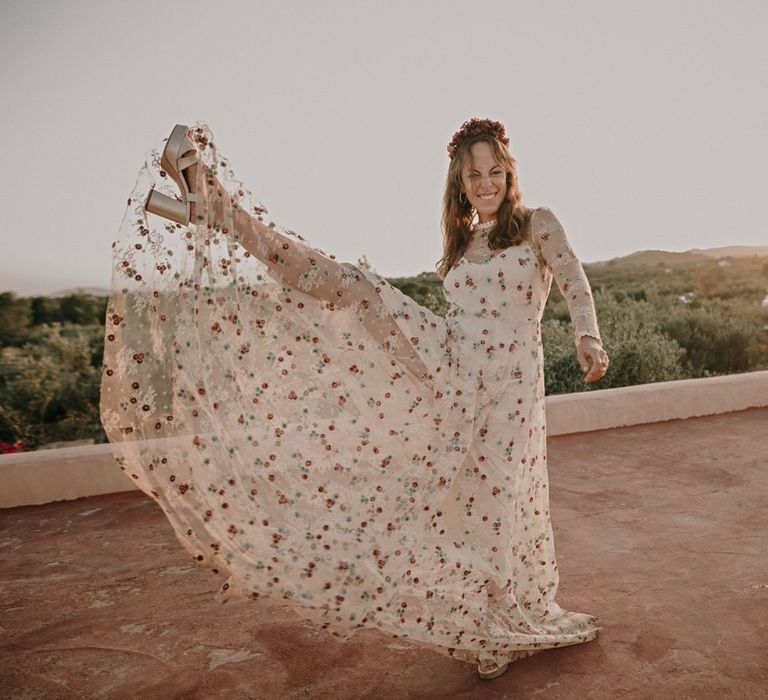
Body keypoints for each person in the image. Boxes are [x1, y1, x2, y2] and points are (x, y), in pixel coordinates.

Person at [100, 118, 607, 681]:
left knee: (490, 500)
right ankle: (221, 210)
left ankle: (489, 618)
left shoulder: (537, 224)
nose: (485, 183)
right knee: (352, 286)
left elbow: (573, 279)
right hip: (449, 364)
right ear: (459, 184)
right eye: (473, 175)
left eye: (494, 172)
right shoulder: (464, 243)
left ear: (509, 173)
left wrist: (587, 334)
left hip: (509, 388)